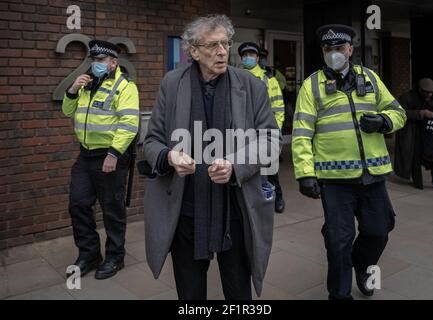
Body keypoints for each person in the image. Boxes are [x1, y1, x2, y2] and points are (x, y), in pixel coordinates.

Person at [143, 15, 280, 300]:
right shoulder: (172, 83)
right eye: (213, 45)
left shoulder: (251, 85)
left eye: (226, 44)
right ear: (193, 51)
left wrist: (235, 166)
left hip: (235, 208)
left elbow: (271, 139)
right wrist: (169, 157)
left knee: (238, 292)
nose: (222, 51)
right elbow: (152, 141)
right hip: (186, 210)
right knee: (190, 294)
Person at [292, 24, 406, 300]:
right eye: (328, 49)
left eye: (340, 48)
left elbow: (398, 111)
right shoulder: (312, 85)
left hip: (372, 174)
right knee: (338, 241)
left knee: (380, 230)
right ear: (322, 51)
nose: (334, 53)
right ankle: (340, 294)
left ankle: (363, 264)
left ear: (350, 49)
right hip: (334, 179)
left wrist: (384, 121)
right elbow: (302, 132)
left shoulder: (370, 78)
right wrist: (305, 174)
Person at [62, 40, 140, 279]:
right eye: (93, 60)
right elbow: (67, 111)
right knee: (78, 204)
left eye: (100, 60)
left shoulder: (125, 87)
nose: (95, 64)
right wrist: (72, 90)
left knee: (112, 210)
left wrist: (113, 154)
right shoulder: (86, 85)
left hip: (110, 157)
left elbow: (129, 125)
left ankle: (115, 257)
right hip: (85, 156)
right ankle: (89, 254)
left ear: (113, 62)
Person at [238, 42, 286, 213]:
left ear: (258, 58)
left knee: (270, 169)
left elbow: (278, 108)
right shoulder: (235, 77)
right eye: (245, 56)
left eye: (252, 55)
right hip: (242, 132)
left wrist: (274, 131)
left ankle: (277, 197)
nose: (248, 58)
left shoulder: (269, 80)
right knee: (246, 166)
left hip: (264, 132)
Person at [394, 78, 433, 190]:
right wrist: (421, 113)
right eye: (427, 92)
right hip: (413, 130)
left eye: (431, 92)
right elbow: (400, 113)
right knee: (415, 155)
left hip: (430, 130)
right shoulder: (407, 97)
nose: (429, 94)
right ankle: (417, 180)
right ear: (420, 89)